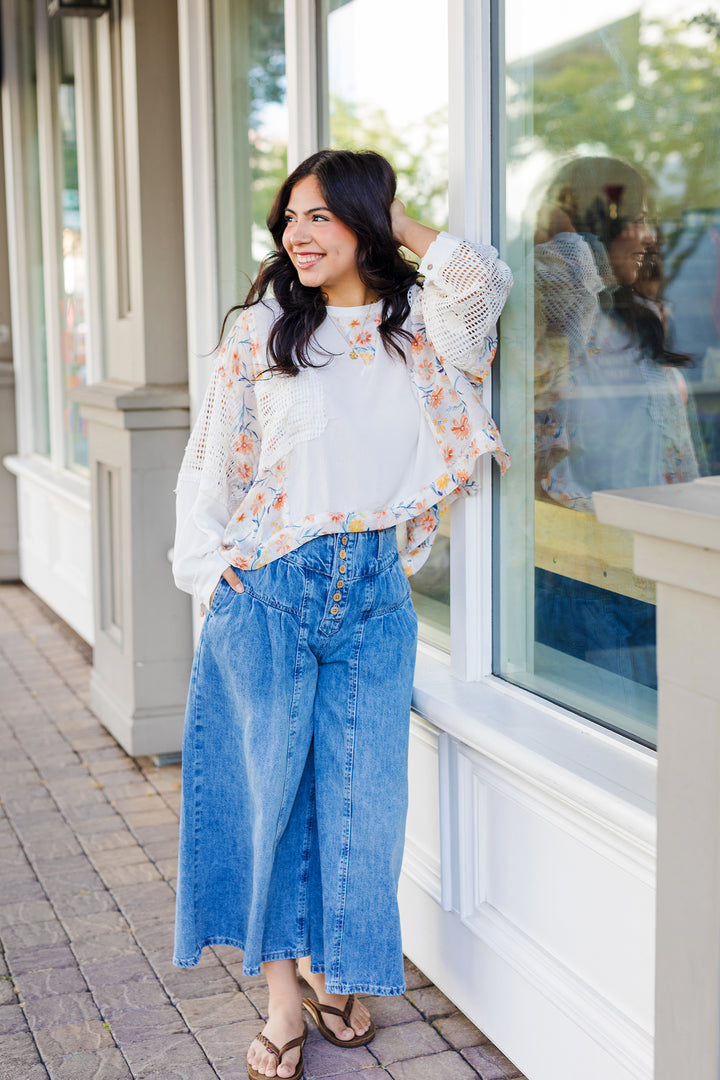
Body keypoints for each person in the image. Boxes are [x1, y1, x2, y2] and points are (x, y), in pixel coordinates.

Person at [171, 149, 512, 1080]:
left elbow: (479, 282)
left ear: (363, 220)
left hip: (373, 597)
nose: (297, 235)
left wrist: (390, 218)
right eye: (288, 220)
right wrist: (209, 569)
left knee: (361, 802)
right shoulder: (263, 331)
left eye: (319, 216)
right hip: (269, 588)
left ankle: (338, 970)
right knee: (268, 801)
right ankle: (285, 1000)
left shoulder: (417, 335)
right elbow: (212, 462)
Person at [533, 156, 704, 688]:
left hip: (657, 565)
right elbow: (551, 268)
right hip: (584, 572)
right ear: (597, 226)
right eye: (637, 219)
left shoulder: (641, 317)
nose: (650, 236)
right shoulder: (554, 314)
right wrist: (567, 230)